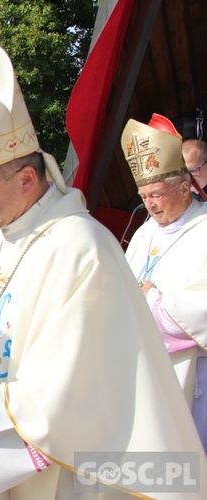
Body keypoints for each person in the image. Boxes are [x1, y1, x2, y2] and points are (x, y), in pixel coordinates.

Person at [0, 42, 207, 498]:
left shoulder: (81, 249)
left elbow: (70, 391)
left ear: (26, 180)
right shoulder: (3, 236)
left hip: (60, 467)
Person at [123, 115, 207, 452]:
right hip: (146, 372)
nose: (150, 205)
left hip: (195, 378)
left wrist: (154, 303)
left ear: (185, 188)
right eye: (144, 196)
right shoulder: (144, 232)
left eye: (157, 194)